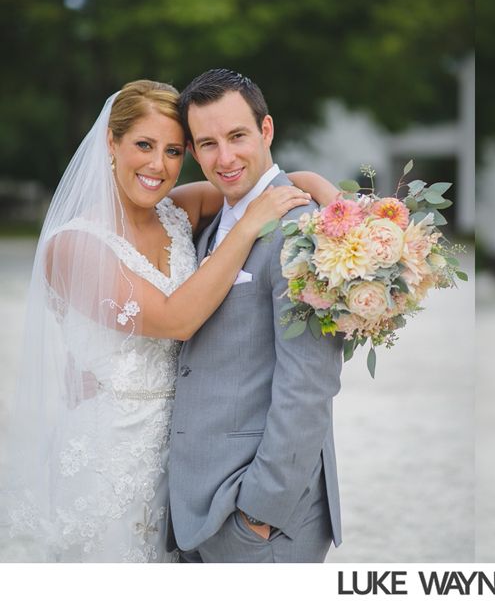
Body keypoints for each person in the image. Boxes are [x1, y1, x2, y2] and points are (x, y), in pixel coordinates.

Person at [0, 79, 331, 562]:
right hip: (111, 455)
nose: (158, 165)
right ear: (111, 143)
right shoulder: (72, 246)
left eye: (173, 151)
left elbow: (258, 182)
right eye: (144, 145)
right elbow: (176, 320)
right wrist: (248, 227)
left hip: (187, 467)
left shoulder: (178, 211)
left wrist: (326, 194)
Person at [167, 69, 343, 563]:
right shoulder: (212, 221)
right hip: (196, 506)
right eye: (208, 144)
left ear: (266, 130)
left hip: (259, 519)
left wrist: (259, 512)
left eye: (237, 136)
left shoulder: (303, 230)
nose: (224, 158)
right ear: (193, 150)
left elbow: (308, 383)